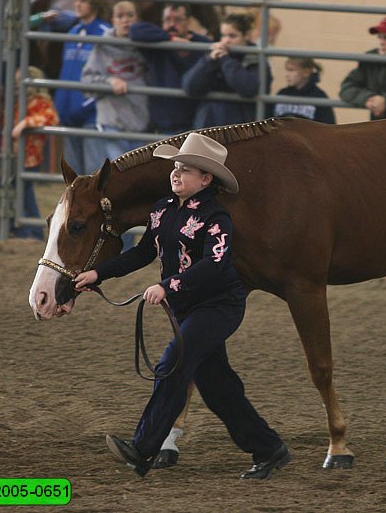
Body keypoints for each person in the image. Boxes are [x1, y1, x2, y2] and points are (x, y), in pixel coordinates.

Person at [72, 133, 290, 480]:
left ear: (206, 180)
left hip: (218, 306)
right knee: (219, 388)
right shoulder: (161, 210)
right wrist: (98, 273)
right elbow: (143, 253)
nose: (176, 174)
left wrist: (167, 285)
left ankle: (143, 448)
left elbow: (214, 265)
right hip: (186, 309)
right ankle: (268, 448)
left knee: (173, 363)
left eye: (186, 170)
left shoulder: (217, 217)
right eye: (175, 167)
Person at [53, 0, 110, 176]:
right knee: (73, 178)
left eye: (83, 0)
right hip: (69, 115)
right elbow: (65, 71)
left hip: (92, 116)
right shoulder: (73, 32)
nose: (78, 4)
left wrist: (88, 103)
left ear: (95, 3)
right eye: (77, 0)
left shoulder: (105, 33)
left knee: (93, 176)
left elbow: (108, 72)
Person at [81, 0, 148, 164]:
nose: (125, 20)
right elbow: (86, 82)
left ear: (137, 20)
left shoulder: (146, 46)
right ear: (113, 21)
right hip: (113, 123)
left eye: (130, 15)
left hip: (141, 123)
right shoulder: (102, 47)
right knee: (121, 172)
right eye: (120, 16)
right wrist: (109, 81)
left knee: (138, 174)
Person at [129, 3, 210, 135]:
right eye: (167, 20)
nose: (171, 25)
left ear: (188, 22)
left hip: (193, 126)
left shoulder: (201, 45)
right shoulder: (157, 43)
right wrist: (171, 39)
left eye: (177, 20)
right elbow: (135, 30)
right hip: (161, 127)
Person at [182, 13, 272, 128]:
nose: (225, 41)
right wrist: (208, 61)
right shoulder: (213, 56)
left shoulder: (255, 58)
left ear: (246, 35)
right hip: (208, 124)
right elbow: (190, 87)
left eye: (232, 36)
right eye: (223, 35)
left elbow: (248, 88)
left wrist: (225, 60)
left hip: (242, 128)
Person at [10, 66, 59, 240]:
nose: (16, 86)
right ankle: (27, 230)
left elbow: (51, 117)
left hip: (29, 157)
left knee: (24, 192)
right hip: (15, 155)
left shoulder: (40, 101)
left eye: (19, 82)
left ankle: (33, 232)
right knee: (19, 192)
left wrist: (26, 123)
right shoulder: (17, 101)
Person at [271, 57, 335, 124]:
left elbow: (329, 126)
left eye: (291, 70)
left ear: (306, 72)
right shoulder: (282, 93)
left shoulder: (319, 96)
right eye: (287, 70)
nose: (287, 75)